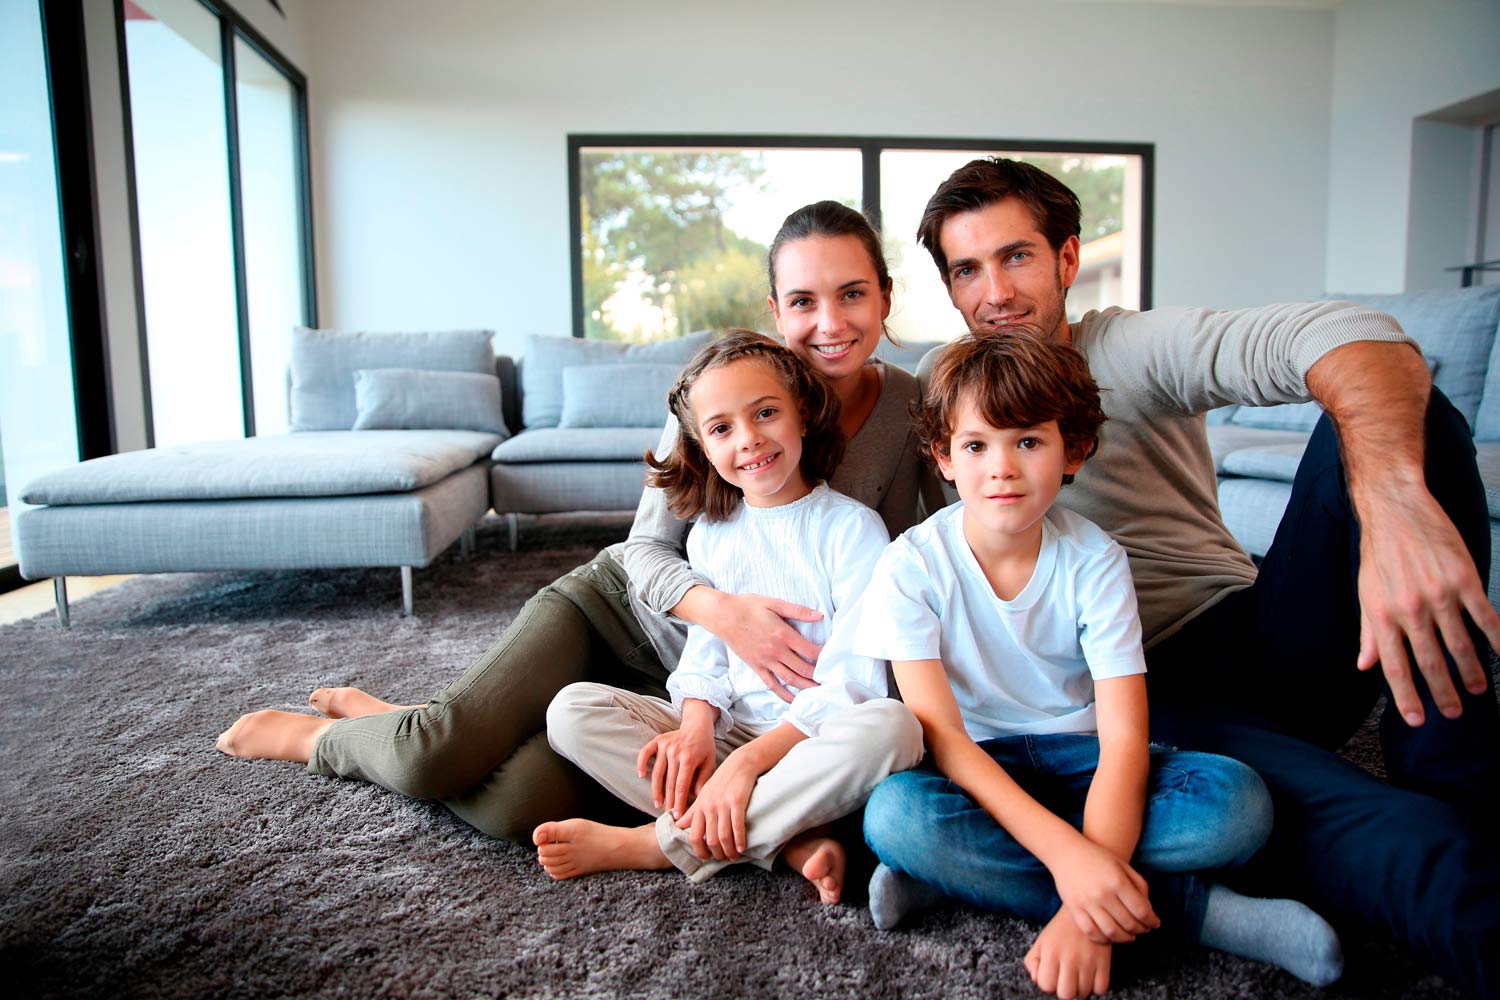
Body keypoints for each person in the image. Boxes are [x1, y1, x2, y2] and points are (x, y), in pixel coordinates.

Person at [911, 157, 1500, 997]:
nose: (995, 291)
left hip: (1260, 628)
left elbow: (1356, 338)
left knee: (1408, 412)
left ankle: (1461, 780)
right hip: (1138, 698)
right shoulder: (951, 391)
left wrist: (1396, 505)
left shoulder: (1133, 348)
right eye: (967, 269)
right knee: (1390, 838)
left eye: (1017, 257)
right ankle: (1433, 846)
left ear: (1068, 260)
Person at [215, 200, 932, 846]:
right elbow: (646, 548)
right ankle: (323, 739)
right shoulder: (731, 390)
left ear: (885, 297)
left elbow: (941, 538)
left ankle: (435, 722)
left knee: (509, 807)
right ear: (776, 309)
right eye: (804, 301)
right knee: (436, 754)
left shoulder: (910, 408)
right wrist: (726, 615)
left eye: (852, 295)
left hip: (697, 683)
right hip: (618, 612)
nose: (830, 323)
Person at [857, 331, 1342, 996]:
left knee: (1239, 806)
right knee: (895, 817)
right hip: (979, 766)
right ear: (943, 456)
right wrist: (1069, 862)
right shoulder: (909, 567)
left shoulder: (1096, 560)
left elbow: (1121, 739)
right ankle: (1199, 913)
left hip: (1085, 763)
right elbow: (944, 739)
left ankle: (960, 878)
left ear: (1073, 451)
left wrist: (1088, 897)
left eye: (1028, 441)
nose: (1001, 467)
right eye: (976, 445)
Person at [534, 331, 922, 904]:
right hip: (727, 731)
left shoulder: (853, 529)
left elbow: (857, 683)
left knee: (895, 727)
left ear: (804, 414)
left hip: (809, 742)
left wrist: (748, 763)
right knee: (571, 711)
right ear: (702, 446)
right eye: (722, 429)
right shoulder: (713, 536)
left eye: (766, 412)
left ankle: (660, 843)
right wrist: (694, 728)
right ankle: (788, 839)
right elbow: (706, 651)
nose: (750, 440)